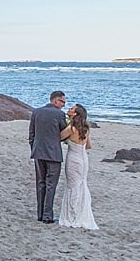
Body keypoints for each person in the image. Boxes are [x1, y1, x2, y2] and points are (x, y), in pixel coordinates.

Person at [29, 90, 69, 222]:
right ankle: (47, 216)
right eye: (62, 101)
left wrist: (34, 148)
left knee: (40, 183)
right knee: (51, 184)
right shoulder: (59, 114)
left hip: (38, 152)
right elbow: (63, 133)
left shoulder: (36, 112)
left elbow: (32, 134)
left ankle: (40, 214)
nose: (64, 104)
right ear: (55, 100)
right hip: (53, 154)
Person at [59, 104, 98, 229]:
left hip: (73, 158)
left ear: (75, 114)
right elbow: (89, 146)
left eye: (71, 109)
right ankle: (81, 213)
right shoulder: (85, 128)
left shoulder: (71, 128)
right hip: (83, 158)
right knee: (81, 184)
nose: (69, 109)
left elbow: (59, 137)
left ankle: (71, 215)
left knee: (72, 186)